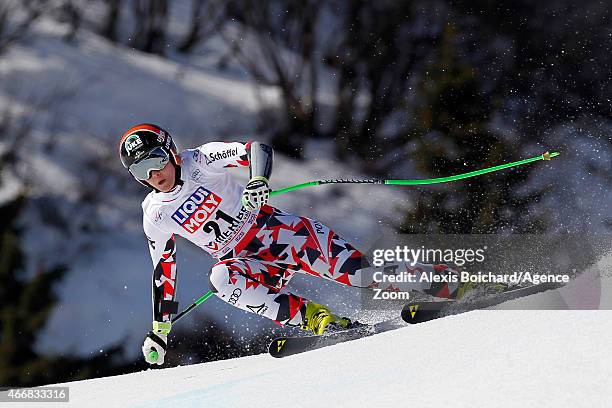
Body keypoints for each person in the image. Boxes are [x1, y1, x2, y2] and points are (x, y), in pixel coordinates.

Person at [119, 124, 472, 366]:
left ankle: (447, 281)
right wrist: (160, 331)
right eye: (141, 173)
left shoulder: (202, 160)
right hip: (247, 262)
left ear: (170, 150)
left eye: (156, 161)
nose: (154, 175)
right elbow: (164, 271)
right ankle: (322, 321)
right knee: (221, 280)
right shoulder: (154, 214)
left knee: (362, 276)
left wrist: (258, 178)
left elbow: (256, 149)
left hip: (280, 234)